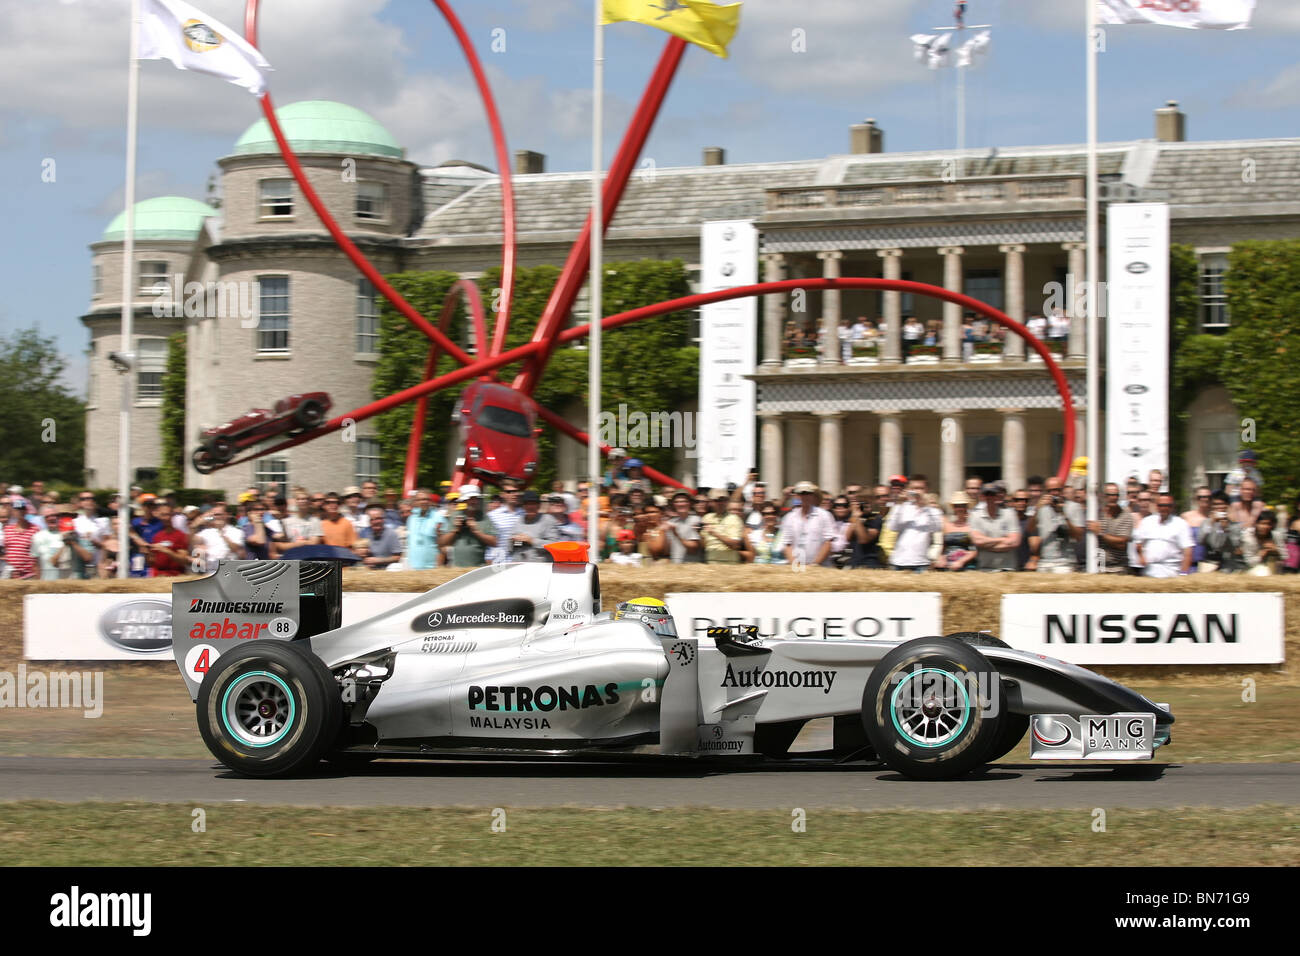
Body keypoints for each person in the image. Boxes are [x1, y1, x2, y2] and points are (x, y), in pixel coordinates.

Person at [1028, 476, 1083, 572]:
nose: (1054, 493)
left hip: (1065, 561)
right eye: (1050, 491)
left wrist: (1063, 513)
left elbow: (1078, 536)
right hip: (1045, 561)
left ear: (1063, 490)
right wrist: (1037, 509)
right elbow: (1029, 529)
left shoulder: (1074, 507)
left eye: (1057, 490)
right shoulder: (1042, 508)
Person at [887, 478, 941, 572]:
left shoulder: (933, 510)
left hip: (921, 563)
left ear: (926, 490)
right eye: (914, 488)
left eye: (920, 488)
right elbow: (892, 527)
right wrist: (899, 504)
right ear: (908, 490)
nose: (917, 491)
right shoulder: (900, 507)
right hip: (899, 561)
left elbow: (936, 528)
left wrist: (925, 506)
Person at [1134, 493, 1193, 577]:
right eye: (1161, 505)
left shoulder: (1181, 524)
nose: (1164, 508)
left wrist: (1183, 573)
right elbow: (1138, 542)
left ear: (1172, 507)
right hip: (1149, 571)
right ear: (1156, 506)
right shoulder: (1147, 522)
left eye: (1168, 505)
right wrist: (1141, 556)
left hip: (1171, 571)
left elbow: (1188, 551)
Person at [781, 481, 836, 567]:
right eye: (802, 493)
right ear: (798, 496)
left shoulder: (824, 515)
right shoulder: (790, 517)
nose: (805, 496)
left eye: (808, 493)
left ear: (813, 495)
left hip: (820, 567)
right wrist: (795, 565)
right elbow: (787, 544)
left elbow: (828, 542)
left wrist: (815, 564)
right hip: (796, 568)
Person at [438, 487, 496, 567]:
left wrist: (476, 531)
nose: (474, 501)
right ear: (464, 500)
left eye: (476, 498)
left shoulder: (485, 518)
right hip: (456, 568)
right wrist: (456, 530)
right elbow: (442, 543)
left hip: (477, 567)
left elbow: (495, 542)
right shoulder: (455, 515)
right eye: (471, 499)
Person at [969, 483, 1021, 572]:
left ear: (997, 496)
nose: (989, 498)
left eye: (992, 495)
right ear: (982, 497)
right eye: (987, 495)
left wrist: (986, 545)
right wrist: (1002, 540)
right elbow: (977, 541)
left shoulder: (1010, 514)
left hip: (1007, 569)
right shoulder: (975, 516)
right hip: (984, 569)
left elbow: (1015, 542)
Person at [1087, 483, 1134, 574]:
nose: (1114, 497)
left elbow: (1121, 543)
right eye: (1110, 495)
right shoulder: (1096, 514)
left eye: (1116, 495)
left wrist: (1100, 533)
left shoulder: (1125, 515)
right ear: (1104, 496)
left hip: (1118, 569)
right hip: (1098, 567)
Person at [191, 504, 246, 572]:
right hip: (210, 570)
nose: (216, 517)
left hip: (229, 571)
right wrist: (194, 526)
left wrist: (222, 534)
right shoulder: (207, 532)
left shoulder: (236, 531)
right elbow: (192, 542)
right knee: (198, 550)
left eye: (218, 514)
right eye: (214, 515)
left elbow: (236, 549)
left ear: (226, 515)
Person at [1199, 492, 1243, 572]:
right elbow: (1200, 540)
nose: (1218, 507)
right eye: (1215, 504)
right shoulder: (1206, 523)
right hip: (1209, 564)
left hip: (1227, 566)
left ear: (1227, 505)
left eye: (1221, 504)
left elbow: (1236, 545)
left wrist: (1226, 529)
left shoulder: (1234, 525)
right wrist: (1211, 524)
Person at [934, 493, 977, 571]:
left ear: (966, 507)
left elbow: (975, 551)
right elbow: (943, 547)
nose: (959, 508)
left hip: (966, 566)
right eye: (957, 506)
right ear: (953, 508)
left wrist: (961, 561)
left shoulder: (972, 526)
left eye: (962, 506)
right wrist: (941, 558)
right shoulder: (947, 526)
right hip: (947, 565)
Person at [147, 501, 191, 576]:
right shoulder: (157, 535)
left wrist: (166, 551)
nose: (166, 518)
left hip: (174, 576)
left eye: (168, 515)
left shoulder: (181, 535)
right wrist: (148, 555)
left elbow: (184, 560)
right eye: (163, 515)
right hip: (157, 577)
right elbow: (151, 562)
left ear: (172, 515)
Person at [358, 504, 403, 570]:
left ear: (383, 519)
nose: (375, 522)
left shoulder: (391, 534)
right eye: (372, 519)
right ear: (368, 521)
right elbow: (359, 553)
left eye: (378, 518)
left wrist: (378, 560)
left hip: (386, 569)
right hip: (368, 569)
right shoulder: (364, 533)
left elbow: (397, 557)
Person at [1241, 510, 1284, 575]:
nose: (1265, 527)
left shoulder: (1277, 535)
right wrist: (1261, 554)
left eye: (1268, 524)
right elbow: (1249, 563)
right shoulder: (1248, 538)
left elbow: (1286, 557)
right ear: (1256, 524)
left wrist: (1276, 550)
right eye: (1262, 523)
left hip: (1274, 568)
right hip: (1253, 569)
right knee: (1263, 572)